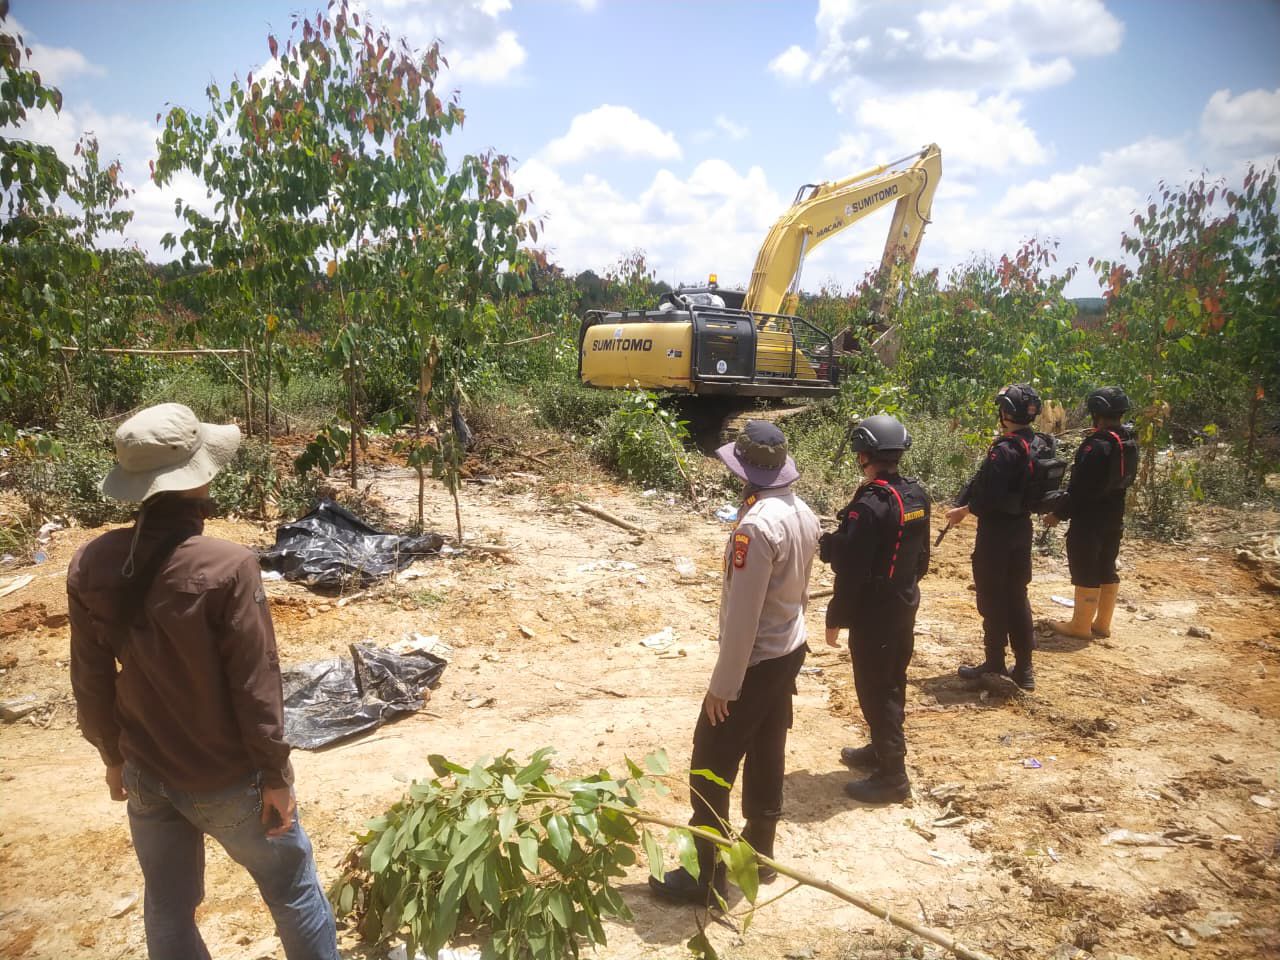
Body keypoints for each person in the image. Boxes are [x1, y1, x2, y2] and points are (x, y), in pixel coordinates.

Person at [68, 403, 338, 960]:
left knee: (167, 904)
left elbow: (89, 676)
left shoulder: (92, 562)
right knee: (293, 893)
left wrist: (112, 758)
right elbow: (255, 683)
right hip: (226, 779)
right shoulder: (227, 565)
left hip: (146, 772)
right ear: (200, 475)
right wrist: (275, 774)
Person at [649, 420, 820, 905]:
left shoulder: (756, 527)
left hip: (758, 659)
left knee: (710, 762)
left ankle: (705, 875)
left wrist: (723, 686)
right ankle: (759, 853)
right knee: (768, 747)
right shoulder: (801, 511)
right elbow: (801, 590)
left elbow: (744, 618)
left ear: (744, 471)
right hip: (789, 648)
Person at [821, 415, 930, 804]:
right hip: (903, 604)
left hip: (874, 614)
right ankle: (879, 750)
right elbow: (922, 560)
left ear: (864, 454)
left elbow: (850, 570)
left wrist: (836, 617)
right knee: (892, 681)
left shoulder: (868, 505)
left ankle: (893, 777)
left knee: (875, 690)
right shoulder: (915, 494)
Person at [945, 385, 1043, 691]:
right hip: (1021, 529)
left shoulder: (1004, 449)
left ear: (1005, 413)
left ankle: (995, 662)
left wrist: (965, 510)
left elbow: (990, 496)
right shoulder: (1040, 444)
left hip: (996, 533)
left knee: (991, 597)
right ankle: (1024, 669)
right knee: (1017, 595)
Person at [1044, 386, 1137, 640]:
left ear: (1096, 411)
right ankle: (1101, 624)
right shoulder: (1128, 441)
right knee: (1107, 565)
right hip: (1114, 515)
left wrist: (1057, 515)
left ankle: (1080, 626)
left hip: (1089, 518)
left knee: (1085, 567)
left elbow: (1079, 490)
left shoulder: (1095, 446)